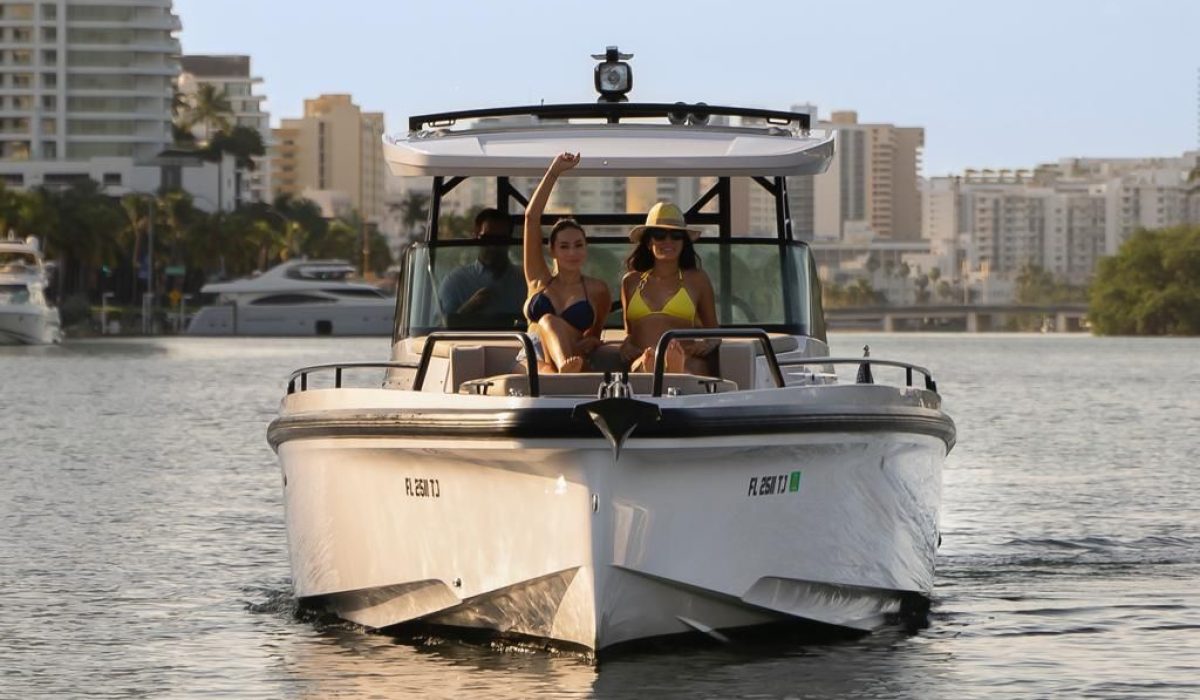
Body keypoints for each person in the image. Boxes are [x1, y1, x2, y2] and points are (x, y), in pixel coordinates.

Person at [520, 153, 611, 373]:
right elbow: (531, 218)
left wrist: (589, 343)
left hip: (573, 354)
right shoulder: (539, 280)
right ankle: (562, 372)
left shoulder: (597, 289)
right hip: (535, 356)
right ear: (552, 250)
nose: (572, 252)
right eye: (564, 246)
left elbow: (594, 335)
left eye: (578, 245)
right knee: (547, 323)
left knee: (551, 326)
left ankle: (564, 371)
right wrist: (554, 171)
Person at [619, 202, 718, 374]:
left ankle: (670, 370)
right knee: (645, 364)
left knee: (687, 368)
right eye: (660, 235)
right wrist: (626, 346)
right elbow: (630, 332)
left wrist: (707, 343)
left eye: (676, 235)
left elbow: (714, 333)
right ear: (649, 242)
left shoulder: (697, 279)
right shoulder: (630, 281)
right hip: (644, 359)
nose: (668, 241)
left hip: (686, 360)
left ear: (683, 242)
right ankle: (659, 369)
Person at [438, 208, 527, 323]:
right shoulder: (456, 282)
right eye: (488, 239)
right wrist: (468, 308)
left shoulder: (525, 280)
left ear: (509, 241)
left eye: (501, 240)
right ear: (476, 238)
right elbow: (438, 328)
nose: (494, 246)